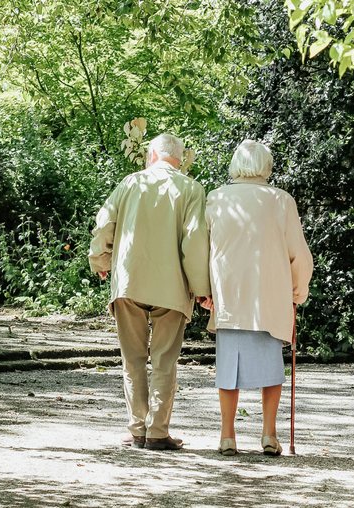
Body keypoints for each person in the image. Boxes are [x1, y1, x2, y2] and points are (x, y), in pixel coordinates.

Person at [88, 133, 212, 451]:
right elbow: (195, 241)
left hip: (130, 282)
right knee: (164, 361)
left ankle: (137, 430)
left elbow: (104, 225)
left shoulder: (130, 183)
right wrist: (201, 289)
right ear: (180, 159)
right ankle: (157, 432)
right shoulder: (192, 189)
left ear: (151, 156)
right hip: (172, 286)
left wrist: (100, 259)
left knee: (132, 359)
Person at [201, 139, 313, 456]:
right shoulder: (281, 201)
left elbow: (203, 250)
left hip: (230, 296)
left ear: (236, 165)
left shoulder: (216, 198)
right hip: (270, 297)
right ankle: (268, 434)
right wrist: (297, 292)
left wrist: (204, 291)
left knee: (227, 369)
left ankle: (227, 436)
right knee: (271, 369)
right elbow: (300, 256)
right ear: (266, 166)